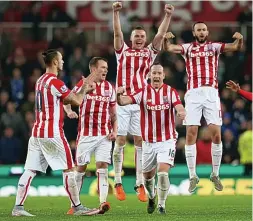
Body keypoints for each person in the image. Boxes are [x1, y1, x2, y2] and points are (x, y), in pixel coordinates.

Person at [11, 49, 99, 216]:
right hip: (52, 133)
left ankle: (18, 207)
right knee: (69, 169)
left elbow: (65, 99)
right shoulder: (55, 82)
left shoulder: (40, 81)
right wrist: (85, 88)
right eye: (61, 59)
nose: (63, 62)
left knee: (29, 170)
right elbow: (77, 101)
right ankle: (77, 207)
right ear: (55, 63)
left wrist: (82, 88)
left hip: (37, 132)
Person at [163, 22, 243, 193]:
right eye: (198, 29)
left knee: (216, 133)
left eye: (204, 29)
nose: (201, 32)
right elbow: (169, 48)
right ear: (194, 32)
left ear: (207, 31)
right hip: (193, 93)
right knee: (192, 132)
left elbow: (235, 47)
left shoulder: (214, 47)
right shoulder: (187, 48)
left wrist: (240, 39)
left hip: (211, 93)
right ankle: (192, 175)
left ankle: (215, 173)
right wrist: (165, 39)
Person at [112, 1, 174, 202]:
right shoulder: (122, 52)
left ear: (145, 39)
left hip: (140, 102)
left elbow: (160, 35)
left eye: (142, 36)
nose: (139, 38)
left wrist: (168, 16)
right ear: (131, 38)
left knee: (140, 141)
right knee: (120, 140)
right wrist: (115, 13)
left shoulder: (149, 52)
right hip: (122, 100)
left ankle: (139, 183)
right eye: (136, 36)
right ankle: (118, 182)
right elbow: (117, 35)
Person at [116, 64, 186, 214]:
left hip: (167, 140)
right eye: (154, 73)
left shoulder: (170, 92)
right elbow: (123, 102)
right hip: (148, 142)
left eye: (159, 73)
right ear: (149, 76)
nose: (156, 75)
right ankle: (152, 196)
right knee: (148, 177)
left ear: (163, 76)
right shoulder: (142, 92)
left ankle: (161, 205)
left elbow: (179, 106)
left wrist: (181, 112)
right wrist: (117, 95)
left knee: (162, 172)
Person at [66, 57, 117, 215]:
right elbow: (67, 99)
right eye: (102, 67)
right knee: (81, 168)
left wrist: (115, 130)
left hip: (104, 135)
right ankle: (74, 204)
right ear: (93, 69)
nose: (105, 70)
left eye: (107, 68)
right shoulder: (83, 84)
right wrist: (69, 111)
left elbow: (114, 114)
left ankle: (103, 202)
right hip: (86, 136)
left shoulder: (109, 87)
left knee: (103, 167)